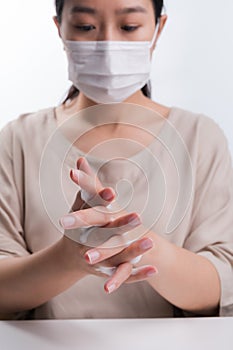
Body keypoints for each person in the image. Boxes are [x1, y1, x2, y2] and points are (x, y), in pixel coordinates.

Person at [0, 0, 232, 320]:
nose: (108, 46)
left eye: (128, 27)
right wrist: (69, 259)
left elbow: (220, 288)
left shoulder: (199, 138)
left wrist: (135, 241)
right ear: (60, 29)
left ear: (158, 29)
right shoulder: (18, 140)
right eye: (85, 27)